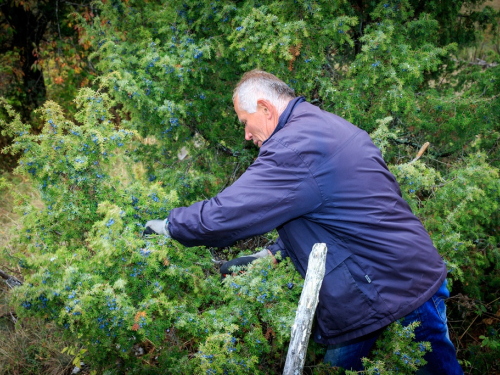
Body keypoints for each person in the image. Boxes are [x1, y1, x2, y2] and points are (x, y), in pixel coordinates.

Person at [144, 70, 463, 374]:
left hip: (392, 285)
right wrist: (271, 255)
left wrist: (171, 225)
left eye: (245, 122)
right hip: (398, 275)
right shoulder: (321, 126)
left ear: (265, 108)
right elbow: (333, 213)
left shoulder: (292, 147)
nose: (245, 134)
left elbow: (228, 212)